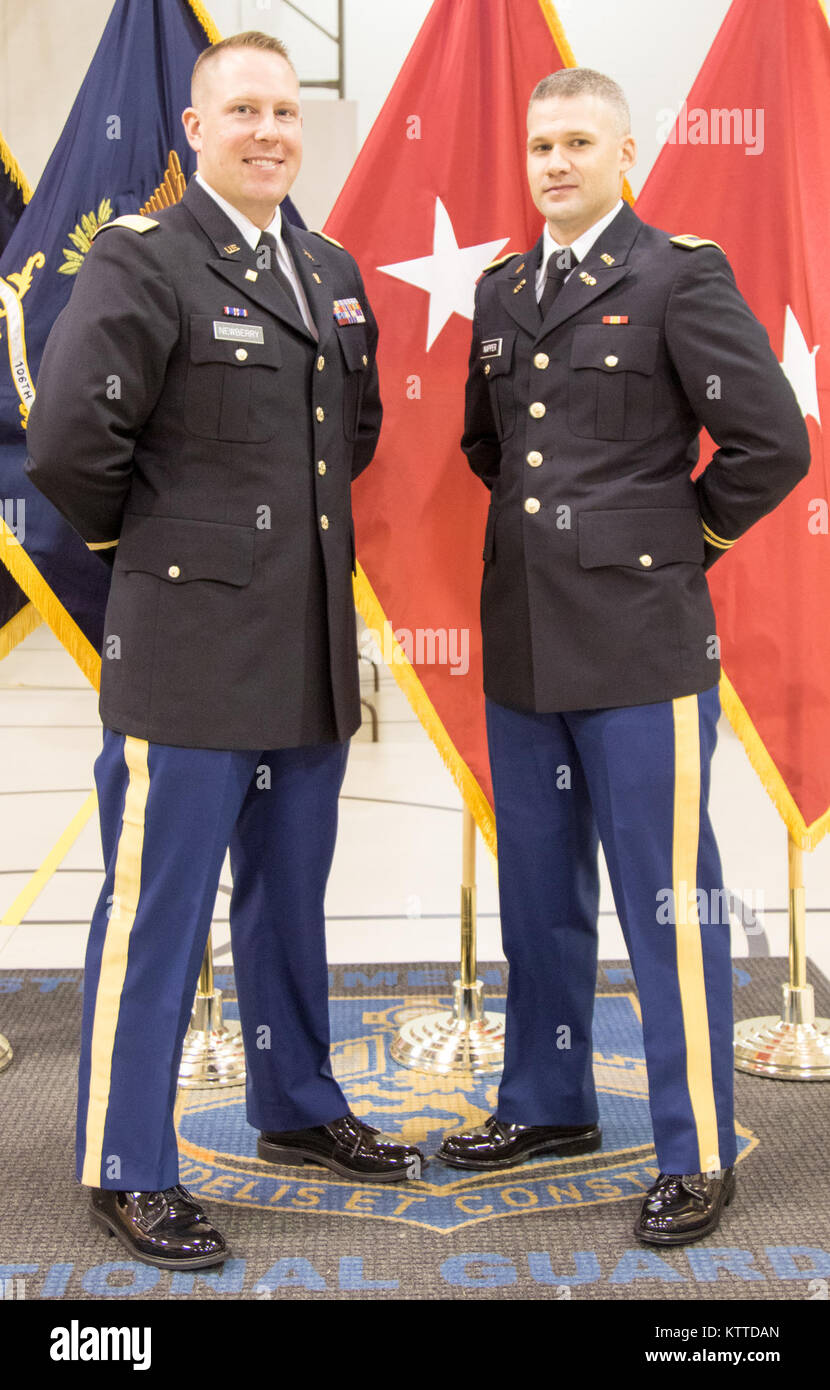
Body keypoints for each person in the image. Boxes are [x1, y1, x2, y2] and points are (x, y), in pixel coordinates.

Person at [25, 30, 424, 1272]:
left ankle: (296, 1104)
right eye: (240, 110)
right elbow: (69, 457)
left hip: (301, 644)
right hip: (187, 653)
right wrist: (164, 562)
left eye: (284, 112)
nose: (266, 131)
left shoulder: (326, 265)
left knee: (285, 900)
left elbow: (344, 438)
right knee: (156, 913)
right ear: (194, 130)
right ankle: (127, 1162)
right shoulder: (145, 259)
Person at [437, 68, 810, 1245]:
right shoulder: (502, 288)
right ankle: (547, 1102)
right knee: (539, 897)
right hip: (526, 645)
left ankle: (693, 1143)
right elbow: (489, 444)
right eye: (539, 143)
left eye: (577, 142)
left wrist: (671, 539)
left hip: (641, 648)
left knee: (665, 899)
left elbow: (770, 440)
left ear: (624, 152)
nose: (552, 162)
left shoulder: (675, 274)